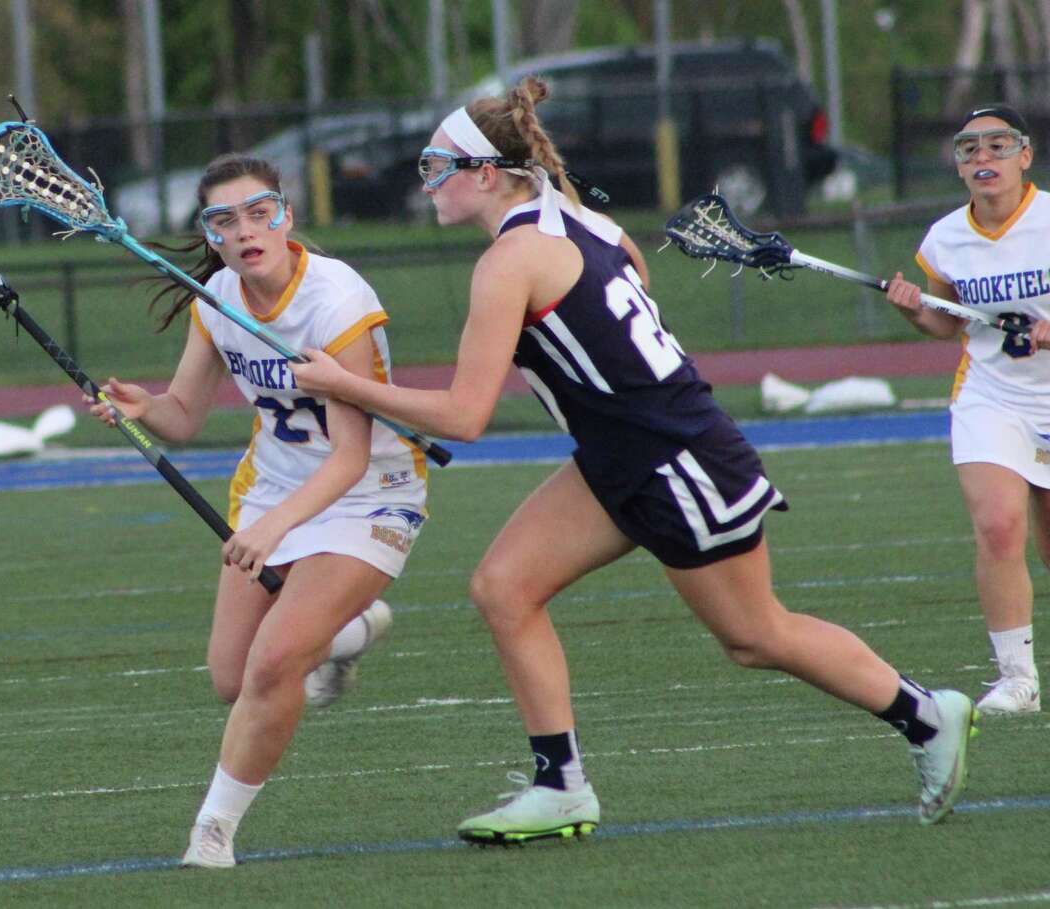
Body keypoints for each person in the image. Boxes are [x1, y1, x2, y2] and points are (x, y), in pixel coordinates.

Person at [292, 76, 979, 845]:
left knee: (755, 634)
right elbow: (631, 293)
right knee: (504, 586)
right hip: (622, 451)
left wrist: (347, 385)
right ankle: (561, 784)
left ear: (486, 172)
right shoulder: (583, 221)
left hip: (674, 456)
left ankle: (925, 713)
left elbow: (465, 415)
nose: (427, 184)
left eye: (436, 166)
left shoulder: (508, 261)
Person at [88, 153, 428, 867]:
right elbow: (183, 415)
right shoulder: (216, 297)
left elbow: (349, 457)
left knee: (274, 662)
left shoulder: (337, 303)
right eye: (224, 219)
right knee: (233, 678)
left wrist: (271, 531)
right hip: (273, 488)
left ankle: (212, 830)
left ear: (285, 215)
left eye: (258, 211)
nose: (245, 230)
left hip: (369, 493)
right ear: (209, 234)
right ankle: (349, 631)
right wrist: (144, 408)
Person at [886, 103, 1048, 716]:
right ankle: (1017, 680)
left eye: (998, 146)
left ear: (1024, 156)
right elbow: (943, 319)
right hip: (991, 395)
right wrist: (911, 307)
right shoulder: (946, 237)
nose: (983, 158)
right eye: (969, 148)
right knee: (1000, 525)